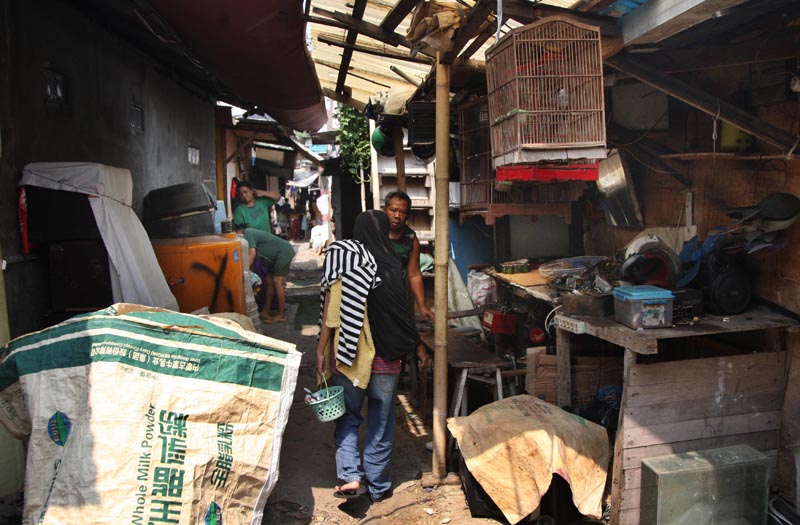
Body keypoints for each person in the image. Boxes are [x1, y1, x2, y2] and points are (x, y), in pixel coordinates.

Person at [316, 210, 429, 503]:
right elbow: (403, 314)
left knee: (348, 417)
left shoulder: (345, 260)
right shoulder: (391, 265)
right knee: (382, 422)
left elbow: (331, 313)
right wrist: (416, 345)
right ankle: (378, 485)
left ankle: (351, 477)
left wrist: (321, 350)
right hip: (387, 362)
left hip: (350, 356)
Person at [383, 191, 434, 321]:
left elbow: (414, 274)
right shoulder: (374, 232)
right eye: (393, 210)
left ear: (408, 215)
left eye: (402, 212)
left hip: (396, 296)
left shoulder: (410, 239)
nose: (397, 216)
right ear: (385, 210)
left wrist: (422, 306)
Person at [243, 228, 295, 323]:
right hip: (272, 258)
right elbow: (253, 259)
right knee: (269, 283)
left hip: (283, 253)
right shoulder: (247, 236)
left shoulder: (247, 233)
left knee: (277, 282)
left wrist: (244, 271)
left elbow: (252, 254)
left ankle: (281, 315)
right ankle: (265, 312)